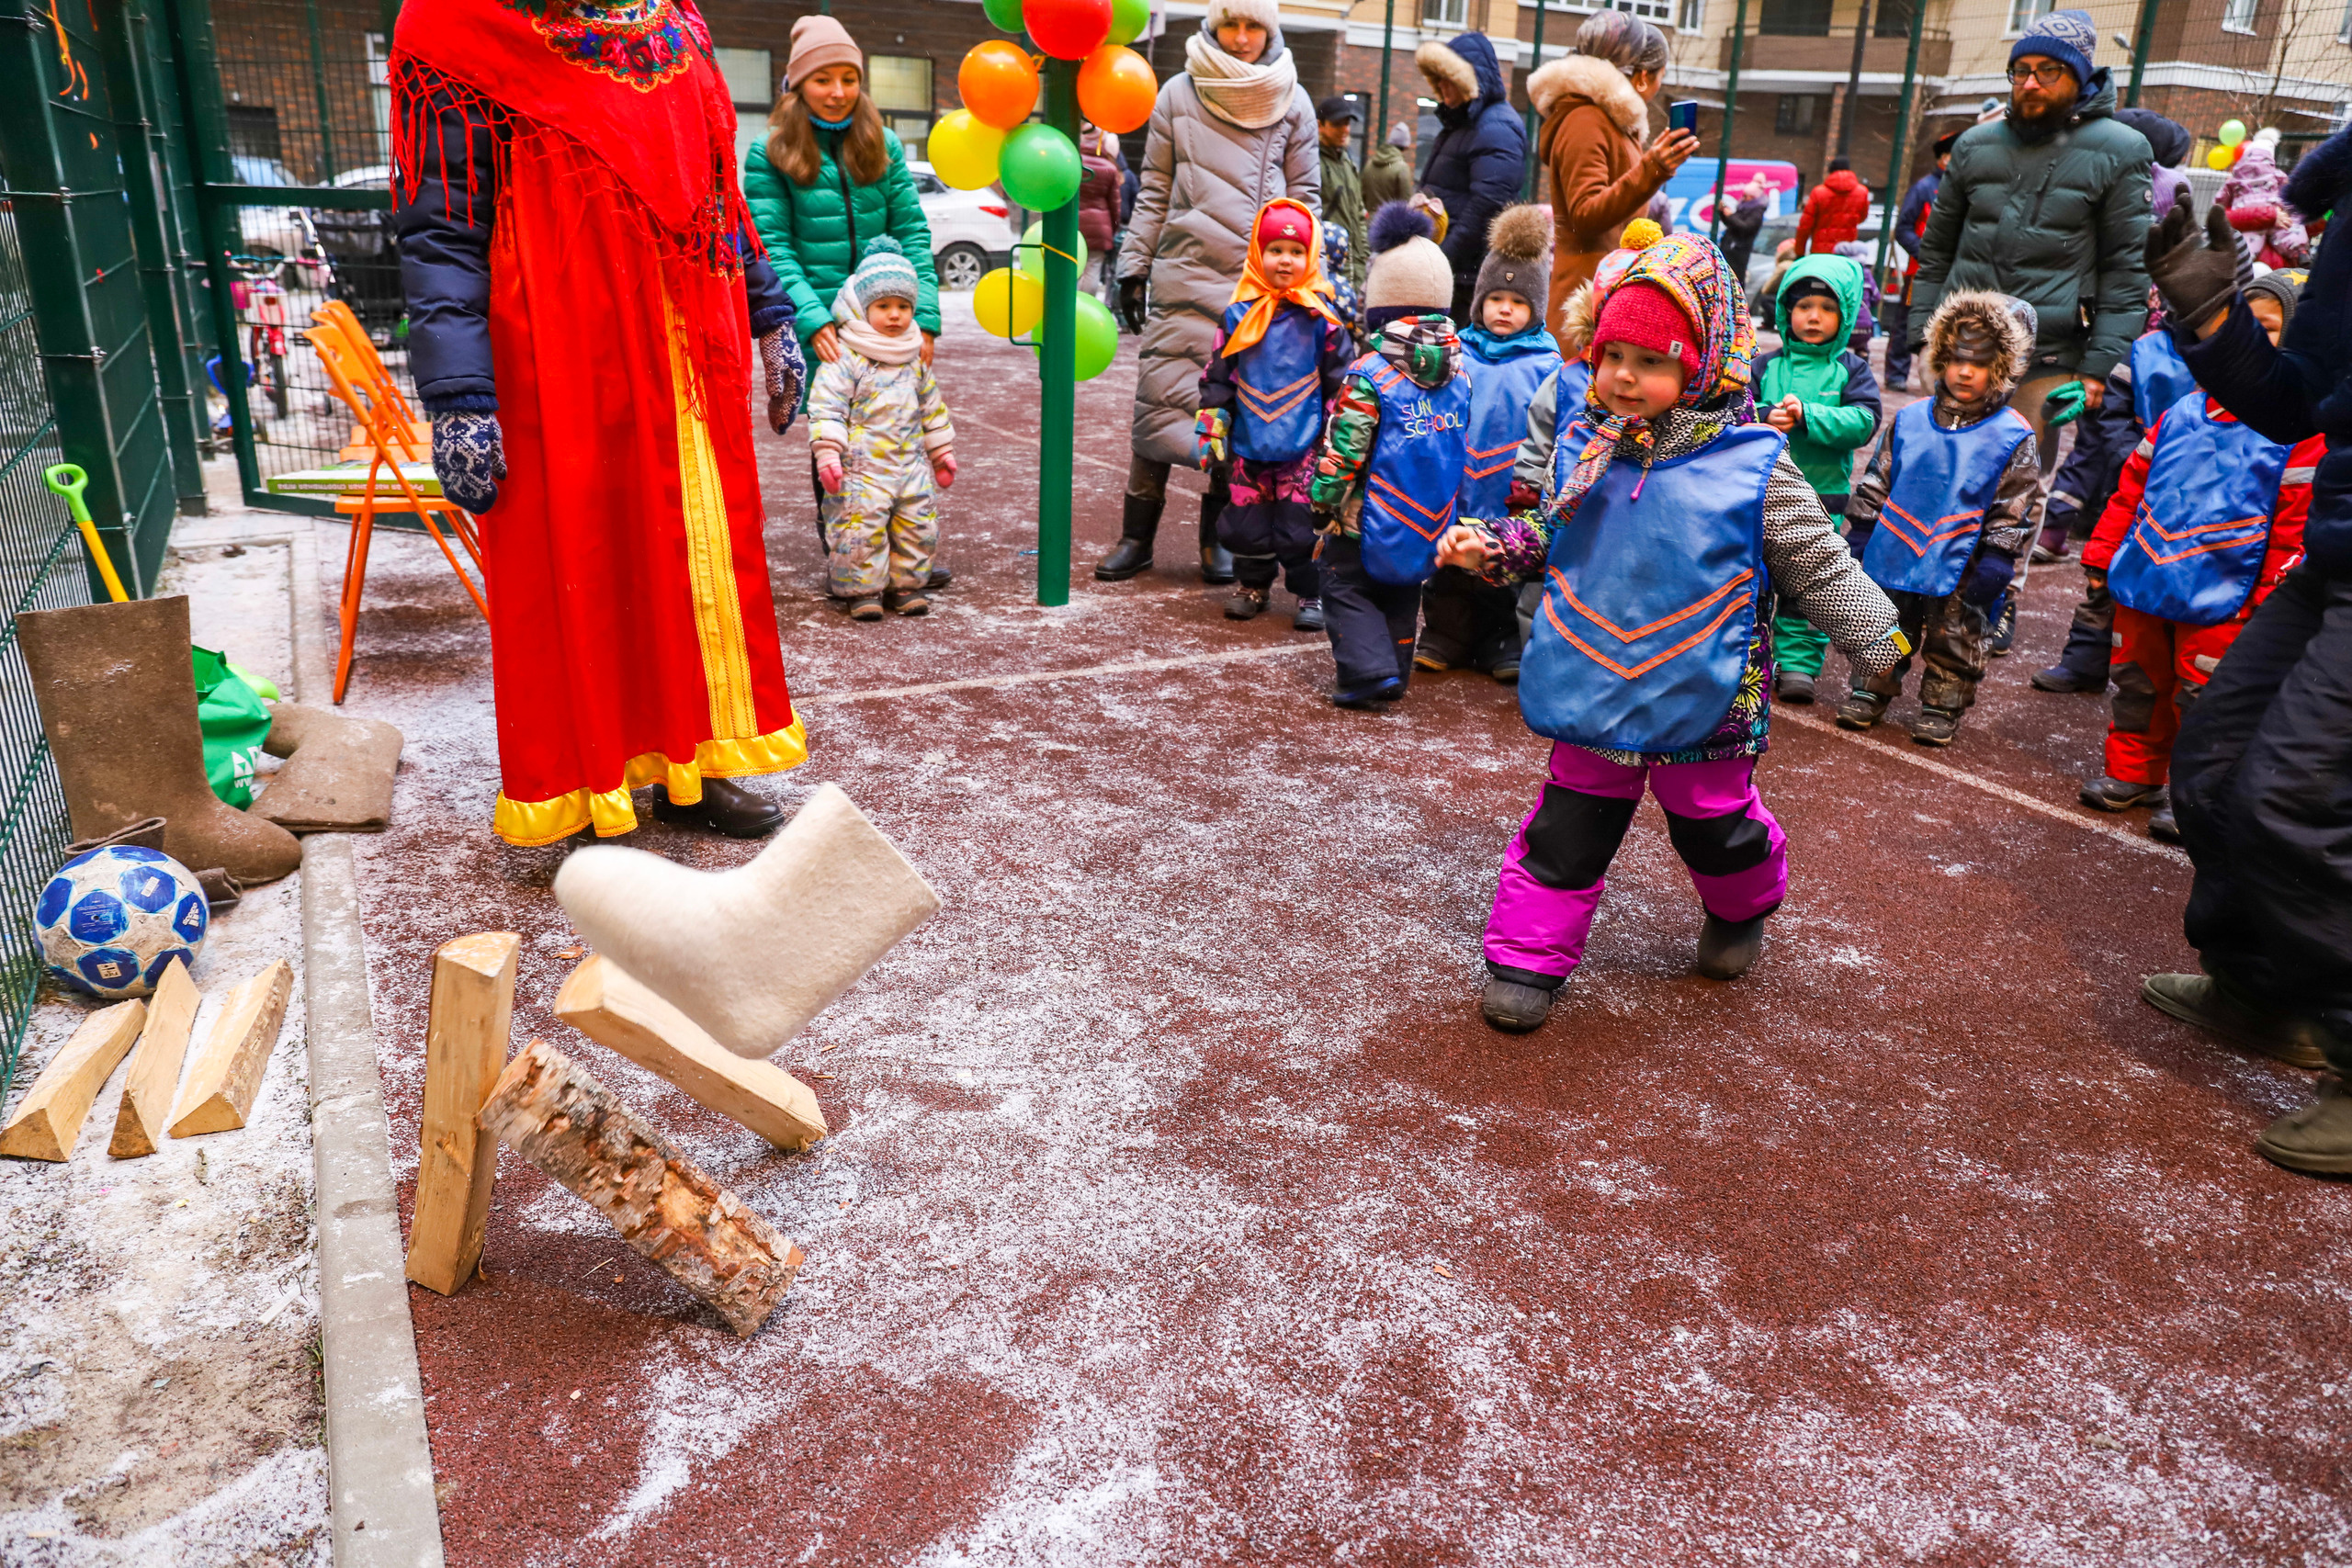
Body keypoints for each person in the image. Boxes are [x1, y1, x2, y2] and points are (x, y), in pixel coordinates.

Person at [1431, 231, 1902, 1032]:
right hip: (1597, 675)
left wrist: (1874, 635)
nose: (1624, 375)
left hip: (1708, 691)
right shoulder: (1589, 444)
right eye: (1613, 353)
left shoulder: (1756, 463)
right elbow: (1550, 532)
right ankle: (1525, 960)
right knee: (1568, 824)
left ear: (1703, 364)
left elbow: (1817, 564)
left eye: (1650, 361)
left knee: (1713, 823)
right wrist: (1495, 545)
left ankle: (1742, 904)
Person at [391, 0, 808, 844]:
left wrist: (770, 314)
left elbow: (717, 182)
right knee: (582, 553)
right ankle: (587, 782)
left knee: (697, 553)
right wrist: (460, 396)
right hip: (559, 348)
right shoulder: (454, 25)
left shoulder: (676, 19)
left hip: (688, 342)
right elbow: (442, 229)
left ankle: (698, 765)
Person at [2128, 164, 2352, 1174]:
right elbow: (2292, 403)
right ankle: (2261, 984)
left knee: (2293, 799)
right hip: (2342, 549)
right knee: (2213, 763)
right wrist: (2210, 308)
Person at [2075, 274, 2314, 842]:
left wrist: (2268, 600)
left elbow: (2296, 527)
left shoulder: (2301, 428)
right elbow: (2131, 488)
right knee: (2137, 681)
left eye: (2270, 330)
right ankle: (2133, 772)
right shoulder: (2182, 411)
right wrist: (2104, 554)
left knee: (2205, 699)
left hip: (2226, 593)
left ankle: (2196, 794)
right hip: (2148, 580)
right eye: (2241, 329)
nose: (2252, 341)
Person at [1907, 9, 2152, 557]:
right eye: (2020, 70)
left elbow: (2126, 268)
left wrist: (2097, 370)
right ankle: (1926, 590)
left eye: (2047, 71)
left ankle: (1995, 601)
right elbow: (1937, 250)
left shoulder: (2122, 149)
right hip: (1962, 345)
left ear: (2081, 77)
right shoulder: (1974, 146)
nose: (2030, 83)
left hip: (2050, 354)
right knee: (1941, 473)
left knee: (2020, 486)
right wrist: (1923, 336)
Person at [1099, 0, 1318, 587]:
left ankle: (1216, 541)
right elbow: (1155, 188)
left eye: (1254, 25)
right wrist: (1135, 265)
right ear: (1213, 27)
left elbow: (1307, 200)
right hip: (1184, 272)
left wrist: (1304, 279)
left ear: (1270, 30)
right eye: (1231, 23)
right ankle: (1135, 538)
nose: (1242, 37)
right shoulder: (1178, 93)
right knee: (1159, 404)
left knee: (1234, 414)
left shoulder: (1291, 100)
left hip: (1256, 289)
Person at [1836, 293, 2041, 746]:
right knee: (1884, 626)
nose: (1966, 371)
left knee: (1956, 637)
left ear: (2003, 368)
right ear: (1942, 358)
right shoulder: (1909, 420)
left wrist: (1999, 558)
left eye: (1982, 362)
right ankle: (1871, 690)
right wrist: (1862, 531)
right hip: (1896, 549)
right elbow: (1878, 477)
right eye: (1958, 359)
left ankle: (1941, 704)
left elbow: (2015, 505)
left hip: (1963, 560)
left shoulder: (2012, 436)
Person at [1308, 202, 1469, 711]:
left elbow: (1345, 448)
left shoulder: (1370, 375)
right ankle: (1395, 671)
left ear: (1381, 309)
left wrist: (1323, 500)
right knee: (1403, 589)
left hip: (1365, 513)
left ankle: (1367, 670)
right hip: (1428, 515)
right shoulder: (1461, 373)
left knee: (1344, 585)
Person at [744, 18, 939, 387]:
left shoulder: (884, 144)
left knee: (895, 430)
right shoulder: (769, 152)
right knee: (830, 433)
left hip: (887, 320)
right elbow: (774, 248)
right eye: (823, 80)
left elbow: (911, 232)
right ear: (800, 86)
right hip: (823, 325)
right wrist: (812, 318)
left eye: (849, 79)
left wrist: (925, 316)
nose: (838, 92)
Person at [1194, 198, 1349, 628]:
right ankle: (1252, 585)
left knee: (1302, 523)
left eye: (1297, 252)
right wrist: (1212, 425)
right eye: (1276, 249)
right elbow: (1219, 373)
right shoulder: (1238, 314)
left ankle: (1309, 593)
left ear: (1311, 256)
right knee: (1247, 521)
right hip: (1249, 438)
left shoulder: (1323, 319)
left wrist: (1338, 436)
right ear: (1258, 254)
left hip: (1304, 444)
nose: (1286, 260)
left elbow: (1341, 380)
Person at [1419, 205, 1558, 682]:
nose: (1505, 309)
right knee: (1451, 562)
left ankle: (1501, 638)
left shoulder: (1547, 364)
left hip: (1510, 487)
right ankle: (1445, 634)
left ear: (1535, 309)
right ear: (1479, 300)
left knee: (1505, 564)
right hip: (1458, 478)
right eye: (1496, 297)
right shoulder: (1457, 352)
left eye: (1518, 302)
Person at [1753, 254, 1883, 705]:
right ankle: (1747, 658)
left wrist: (1810, 416)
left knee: (1807, 584)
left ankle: (1799, 664)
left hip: (1821, 499)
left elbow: (1864, 422)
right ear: (1787, 311)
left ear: (1845, 316)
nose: (1814, 316)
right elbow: (1731, 413)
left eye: (1827, 309)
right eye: (1804, 306)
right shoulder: (1764, 366)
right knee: (1752, 581)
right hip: (1759, 495)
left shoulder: (1852, 369)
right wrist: (1766, 416)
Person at [809, 240, 956, 621]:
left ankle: (905, 585)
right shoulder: (848, 357)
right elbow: (827, 406)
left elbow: (931, 406)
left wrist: (941, 452)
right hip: (862, 468)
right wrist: (827, 451)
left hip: (908, 464)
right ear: (862, 307)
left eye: (904, 307)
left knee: (917, 524)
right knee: (860, 527)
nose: (895, 316)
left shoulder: (913, 357)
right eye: (884, 306)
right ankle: (863, 590)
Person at [1527, 13, 1696, 336]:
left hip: (1603, 292)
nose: (1660, 86)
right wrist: (1651, 169)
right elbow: (1585, 215)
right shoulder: (1586, 120)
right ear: (1642, 76)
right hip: (1584, 303)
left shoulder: (1610, 122)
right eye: (1660, 75)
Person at [1414, 32, 1526, 324]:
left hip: (1465, 278)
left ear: (1468, 80)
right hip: (1454, 272)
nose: (1441, 87)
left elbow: (1488, 204)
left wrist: (1442, 258)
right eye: (1437, 79)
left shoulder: (1495, 125)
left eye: (1448, 78)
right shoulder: (1464, 122)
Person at [1883, 131, 1956, 392]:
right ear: (1945, 157)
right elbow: (1904, 228)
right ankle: (1896, 372)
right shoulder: (1924, 188)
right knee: (1907, 321)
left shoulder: (1962, 187)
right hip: (1921, 272)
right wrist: (1927, 255)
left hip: (1953, 272)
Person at [1316, 96, 1367, 298]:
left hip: (1355, 265)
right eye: (1337, 124)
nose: (1345, 129)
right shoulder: (1313, 161)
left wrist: (1364, 253)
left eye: (1346, 123)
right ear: (1320, 125)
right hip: (1328, 264)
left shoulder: (1347, 161)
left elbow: (1358, 212)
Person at [1078, 124, 1125, 299]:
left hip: (1073, 224)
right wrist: (1113, 227)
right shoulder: (1110, 169)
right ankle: (1083, 305)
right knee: (1092, 267)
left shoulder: (1073, 161)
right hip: (1099, 227)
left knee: (1071, 266)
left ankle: (1068, 304)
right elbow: (1115, 204)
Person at [1794, 156, 1869, 255]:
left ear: (1831, 171)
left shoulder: (1819, 192)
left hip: (1820, 252)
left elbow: (1805, 226)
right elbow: (1862, 218)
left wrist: (1799, 252)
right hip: (1846, 251)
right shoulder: (1862, 192)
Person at [1716, 173, 1770, 299]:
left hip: (1739, 251)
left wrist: (1730, 216)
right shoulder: (1744, 208)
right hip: (1731, 248)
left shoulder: (1757, 212)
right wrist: (1724, 214)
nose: (1743, 198)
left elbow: (1745, 228)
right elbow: (1733, 225)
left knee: (1736, 279)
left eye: (1746, 196)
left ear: (1753, 197)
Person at [1363, 121, 1416, 213]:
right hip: (1390, 224)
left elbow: (1362, 196)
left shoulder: (1369, 164)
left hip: (1369, 223)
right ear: (1406, 146)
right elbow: (1406, 204)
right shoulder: (1402, 168)